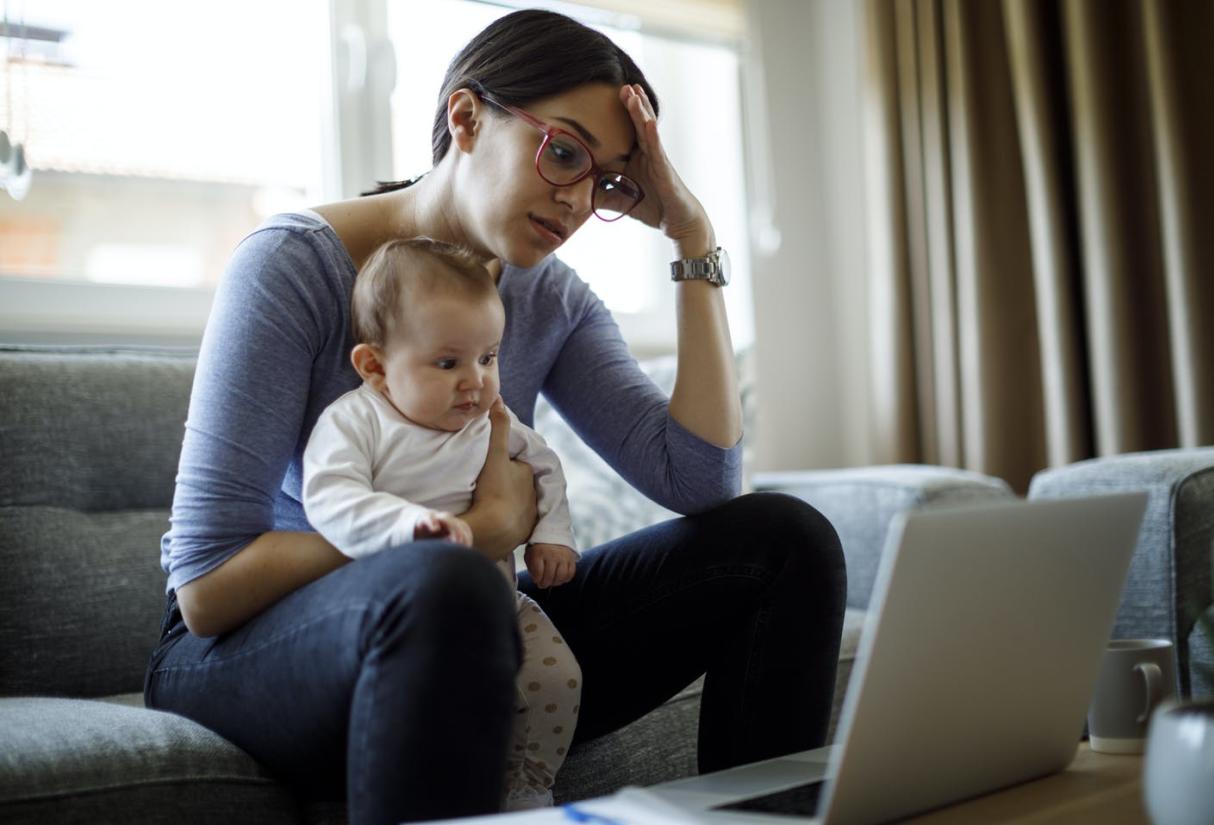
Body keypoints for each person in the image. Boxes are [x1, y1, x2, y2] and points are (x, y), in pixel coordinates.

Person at [145, 8, 847, 825]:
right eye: (563, 153)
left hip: (474, 617)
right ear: (467, 118)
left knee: (782, 540)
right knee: (443, 582)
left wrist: (692, 237)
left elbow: (698, 481)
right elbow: (204, 588)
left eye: (609, 179)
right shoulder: (292, 267)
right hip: (244, 650)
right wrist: (470, 529)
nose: (579, 199)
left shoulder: (550, 298)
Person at [301, 237, 581, 810]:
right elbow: (330, 497)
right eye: (448, 363)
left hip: (505, 601)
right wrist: (408, 527)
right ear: (375, 367)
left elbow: (544, 463)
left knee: (558, 677)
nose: (475, 381)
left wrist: (553, 532)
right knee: (453, 701)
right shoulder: (357, 422)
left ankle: (529, 788)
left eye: (489, 357)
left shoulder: (490, 419)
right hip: (410, 617)